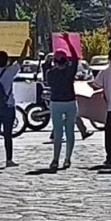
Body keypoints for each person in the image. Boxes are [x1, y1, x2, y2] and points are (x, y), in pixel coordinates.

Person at [0, 36, 32, 168]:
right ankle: (9, 159)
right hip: (8, 106)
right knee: (8, 134)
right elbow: (20, 60)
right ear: (7, 60)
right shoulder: (10, 71)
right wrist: (26, 45)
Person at [44, 42, 82, 170]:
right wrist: (69, 43)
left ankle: (55, 159)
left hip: (56, 103)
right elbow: (76, 59)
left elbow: (47, 82)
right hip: (70, 102)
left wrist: (47, 63)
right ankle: (67, 159)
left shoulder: (51, 73)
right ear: (66, 60)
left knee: (58, 133)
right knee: (70, 132)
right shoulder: (70, 72)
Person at [88, 48, 111, 166]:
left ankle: (110, 156)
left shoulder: (104, 72)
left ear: (108, 58)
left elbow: (95, 86)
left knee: (109, 133)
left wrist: (89, 83)